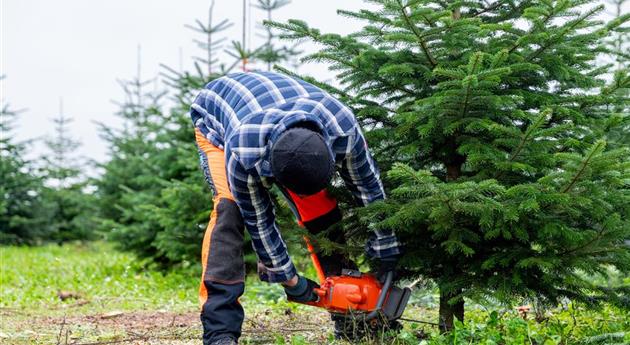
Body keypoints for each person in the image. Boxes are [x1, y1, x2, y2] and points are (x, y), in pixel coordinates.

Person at [190, 71, 401, 345]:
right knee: (229, 211)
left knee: (321, 209)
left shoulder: (344, 129)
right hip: (217, 117)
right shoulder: (243, 152)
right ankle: (220, 331)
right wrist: (290, 281)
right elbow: (260, 223)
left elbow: (369, 190)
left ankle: (348, 316)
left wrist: (386, 250)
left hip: (281, 111)